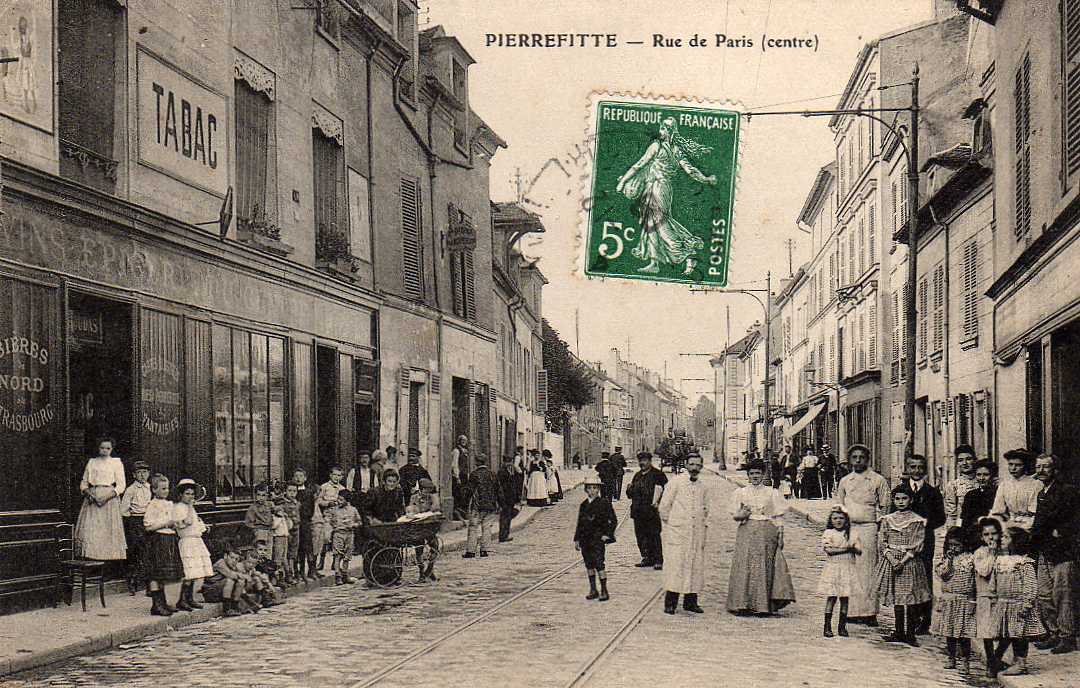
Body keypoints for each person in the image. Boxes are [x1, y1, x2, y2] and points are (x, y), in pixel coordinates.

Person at [615, 116, 715, 275]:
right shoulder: (677, 151)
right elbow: (690, 170)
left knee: (660, 223)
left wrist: (622, 182)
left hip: (656, 187)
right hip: (664, 188)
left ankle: (687, 253)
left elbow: (639, 164)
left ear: (668, 131)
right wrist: (707, 179)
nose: (660, 131)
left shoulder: (656, 146)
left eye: (662, 128)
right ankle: (654, 263)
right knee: (651, 222)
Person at [726, 459, 796, 616]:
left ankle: (763, 605)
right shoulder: (741, 493)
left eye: (758, 473)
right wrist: (742, 514)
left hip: (766, 531)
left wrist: (781, 535)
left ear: (763, 474)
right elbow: (735, 516)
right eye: (752, 474)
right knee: (745, 565)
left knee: (765, 566)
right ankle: (742, 604)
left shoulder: (772, 493)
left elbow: (778, 516)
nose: (755, 476)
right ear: (748, 476)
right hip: (747, 530)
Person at [835, 443, 890, 625]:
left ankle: (869, 613)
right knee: (849, 569)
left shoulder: (877, 480)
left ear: (868, 459)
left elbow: (885, 506)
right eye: (854, 457)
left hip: (868, 529)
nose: (858, 461)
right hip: (849, 529)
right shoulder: (845, 481)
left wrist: (880, 526)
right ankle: (850, 611)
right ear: (849, 460)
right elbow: (839, 506)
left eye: (862, 457)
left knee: (868, 571)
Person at [1030, 453, 1079, 655]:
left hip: (1062, 551)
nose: (1041, 470)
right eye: (1038, 467)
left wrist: (1063, 531)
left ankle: (1067, 637)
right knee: (1044, 594)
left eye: (1046, 467)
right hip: (1045, 550)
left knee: (1063, 595)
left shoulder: (1067, 491)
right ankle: (1053, 632)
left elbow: (1076, 519)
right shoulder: (1041, 493)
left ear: (1055, 470)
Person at [875, 483, 932, 646]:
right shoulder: (887, 519)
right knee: (897, 597)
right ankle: (898, 631)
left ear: (911, 500)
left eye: (904, 498)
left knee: (909, 596)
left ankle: (910, 633)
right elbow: (882, 541)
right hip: (892, 561)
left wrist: (903, 560)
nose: (901, 502)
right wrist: (892, 559)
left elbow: (917, 543)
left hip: (909, 562)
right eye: (897, 499)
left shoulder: (916, 520)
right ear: (893, 500)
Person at [659, 453, 711, 615]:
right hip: (678, 532)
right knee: (676, 566)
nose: (694, 468)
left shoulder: (703, 487)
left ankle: (691, 602)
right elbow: (664, 507)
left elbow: (706, 509)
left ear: (701, 467)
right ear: (686, 465)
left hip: (696, 533)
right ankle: (670, 603)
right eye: (692, 464)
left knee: (694, 566)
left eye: (698, 465)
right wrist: (676, 524)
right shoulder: (675, 483)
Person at [900, 454, 946, 635]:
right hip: (903, 543)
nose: (916, 471)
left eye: (920, 467)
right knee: (905, 578)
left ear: (925, 470)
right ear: (908, 468)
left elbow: (941, 518)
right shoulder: (901, 490)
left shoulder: (932, 493)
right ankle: (908, 619)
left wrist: (925, 524)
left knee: (924, 577)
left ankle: (925, 620)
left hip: (925, 542)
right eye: (913, 467)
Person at [74, 437, 128, 563]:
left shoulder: (116, 462)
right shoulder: (92, 462)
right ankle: (92, 563)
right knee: (92, 531)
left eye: (108, 448)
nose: (105, 451)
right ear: (98, 448)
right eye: (102, 448)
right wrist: (90, 495)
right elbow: (84, 483)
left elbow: (121, 485)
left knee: (107, 531)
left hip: (109, 500)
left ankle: (108, 566)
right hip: (92, 499)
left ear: (112, 449)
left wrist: (105, 498)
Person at [932, 527, 977, 673]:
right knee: (949, 632)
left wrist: (972, 601)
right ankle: (951, 657)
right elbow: (943, 575)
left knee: (964, 634)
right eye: (951, 545)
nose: (954, 548)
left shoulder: (971, 559)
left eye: (957, 545)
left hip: (964, 600)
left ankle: (965, 661)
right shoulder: (945, 559)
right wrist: (949, 561)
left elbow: (974, 582)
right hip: (949, 600)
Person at [143, 474, 183, 616]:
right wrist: (166, 523)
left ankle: (165, 602)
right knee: (157, 573)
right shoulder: (152, 505)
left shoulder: (169, 504)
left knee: (167, 573)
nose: (166, 491)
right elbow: (148, 526)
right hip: (159, 540)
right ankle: (156, 604)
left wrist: (177, 524)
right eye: (163, 488)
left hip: (170, 540)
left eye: (167, 488)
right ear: (154, 490)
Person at [819, 505, 861, 638]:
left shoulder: (852, 533)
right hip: (834, 568)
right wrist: (847, 549)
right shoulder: (829, 533)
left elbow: (859, 550)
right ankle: (827, 626)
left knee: (845, 597)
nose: (838, 521)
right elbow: (829, 551)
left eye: (841, 518)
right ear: (830, 520)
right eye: (835, 518)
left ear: (846, 519)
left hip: (847, 568)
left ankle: (842, 627)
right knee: (831, 597)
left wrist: (854, 547)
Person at [575, 476, 618, 601]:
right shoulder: (583, 505)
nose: (592, 491)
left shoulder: (604, 503)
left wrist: (607, 534)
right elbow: (580, 523)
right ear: (585, 490)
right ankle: (593, 589)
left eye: (594, 488)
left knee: (599, 563)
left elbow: (613, 520)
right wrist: (577, 539)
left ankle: (604, 589)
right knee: (589, 564)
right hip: (585, 539)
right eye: (589, 488)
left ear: (599, 489)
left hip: (598, 538)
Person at [172, 479, 212, 611]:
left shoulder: (191, 508)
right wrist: (190, 507)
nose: (190, 497)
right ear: (181, 495)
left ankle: (190, 598)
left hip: (195, 541)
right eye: (187, 494)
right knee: (188, 573)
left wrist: (202, 526)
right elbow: (186, 522)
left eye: (192, 494)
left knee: (195, 572)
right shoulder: (179, 508)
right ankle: (182, 600)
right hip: (187, 542)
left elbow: (195, 523)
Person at [627, 451, 667, 570]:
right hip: (638, 511)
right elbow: (630, 495)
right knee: (640, 536)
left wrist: (659, 503)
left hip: (651, 511)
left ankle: (658, 560)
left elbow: (666, 491)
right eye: (640, 461)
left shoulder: (658, 475)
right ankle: (646, 557)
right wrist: (629, 489)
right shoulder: (637, 475)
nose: (642, 463)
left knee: (654, 535)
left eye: (645, 460)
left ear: (650, 461)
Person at [120, 460, 152, 594]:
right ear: (134, 475)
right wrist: (133, 520)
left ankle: (148, 583)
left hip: (149, 520)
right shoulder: (131, 490)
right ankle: (132, 583)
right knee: (136, 552)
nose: (142, 475)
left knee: (148, 552)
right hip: (135, 521)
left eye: (144, 472)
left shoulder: (151, 487)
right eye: (139, 473)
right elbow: (123, 509)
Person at [990, 448, 1041, 531]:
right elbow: (997, 510)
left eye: (1018, 465)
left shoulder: (1036, 484)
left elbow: (1035, 512)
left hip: (1030, 525)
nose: (1013, 468)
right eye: (1010, 464)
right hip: (1010, 525)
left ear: (1025, 466)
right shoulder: (1004, 484)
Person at [463, 455, 499, 559]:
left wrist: (465, 502)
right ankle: (485, 550)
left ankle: (471, 551)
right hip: (490, 505)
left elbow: (469, 490)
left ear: (477, 462)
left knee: (473, 527)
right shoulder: (492, 474)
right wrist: (499, 503)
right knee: (487, 527)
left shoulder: (474, 474)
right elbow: (498, 490)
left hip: (477, 505)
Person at [407, 478, 441, 582]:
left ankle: (430, 569)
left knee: (435, 546)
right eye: (425, 490)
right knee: (419, 550)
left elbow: (436, 507)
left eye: (429, 490)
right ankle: (421, 572)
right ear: (420, 489)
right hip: (417, 527)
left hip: (429, 527)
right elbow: (411, 509)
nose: (427, 492)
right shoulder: (414, 498)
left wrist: (432, 509)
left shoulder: (431, 497)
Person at [325, 488, 360, 584]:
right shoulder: (334, 510)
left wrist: (353, 525)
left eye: (341, 500)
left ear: (347, 500)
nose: (338, 501)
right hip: (338, 534)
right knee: (337, 555)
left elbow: (359, 522)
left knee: (347, 556)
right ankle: (338, 575)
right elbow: (328, 520)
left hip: (349, 534)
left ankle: (345, 574)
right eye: (338, 499)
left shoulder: (353, 510)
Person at [315, 466, 346, 571]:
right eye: (334, 475)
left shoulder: (342, 489)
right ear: (330, 475)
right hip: (328, 514)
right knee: (326, 538)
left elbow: (346, 502)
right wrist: (328, 503)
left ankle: (335, 562)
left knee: (338, 540)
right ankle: (321, 561)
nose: (336, 477)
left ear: (341, 477)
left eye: (339, 475)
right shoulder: (324, 487)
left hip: (339, 516)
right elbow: (318, 501)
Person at [961, 460, 997, 550]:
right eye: (978, 475)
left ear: (992, 476)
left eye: (985, 475)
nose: (981, 478)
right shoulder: (970, 495)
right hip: (973, 537)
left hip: (992, 536)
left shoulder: (998, 493)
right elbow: (965, 520)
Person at [201, 547, 246, 617]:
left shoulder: (233, 566)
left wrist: (241, 575)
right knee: (230, 580)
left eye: (236, 559)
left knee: (241, 582)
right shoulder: (221, 563)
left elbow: (242, 575)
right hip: (210, 592)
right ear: (225, 556)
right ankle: (226, 609)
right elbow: (231, 575)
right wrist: (241, 575)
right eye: (232, 557)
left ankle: (235, 607)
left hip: (221, 592)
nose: (234, 560)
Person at [292, 468, 320, 580]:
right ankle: (296, 571)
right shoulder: (292, 491)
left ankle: (308, 570)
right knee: (295, 548)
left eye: (300, 476)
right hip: (294, 523)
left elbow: (311, 509)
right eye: (296, 476)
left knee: (307, 546)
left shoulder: (308, 492)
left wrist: (303, 514)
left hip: (305, 522)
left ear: (305, 478)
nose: (298, 478)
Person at [944, 444, 980, 529]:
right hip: (963, 527)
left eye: (968, 459)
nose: (964, 463)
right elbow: (952, 515)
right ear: (957, 463)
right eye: (960, 460)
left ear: (975, 460)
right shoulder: (953, 485)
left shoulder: (982, 482)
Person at [278, 482, 301, 585]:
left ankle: (292, 572)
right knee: (285, 554)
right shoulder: (282, 504)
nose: (292, 493)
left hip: (296, 530)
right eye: (290, 491)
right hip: (286, 531)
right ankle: (287, 574)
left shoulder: (297, 503)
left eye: (294, 491)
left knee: (293, 554)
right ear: (285, 492)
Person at [244, 484, 276, 548]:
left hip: (269, 530)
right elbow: (248, 522)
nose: (261, 498)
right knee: (261, 550)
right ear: (255, 495)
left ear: (267, 496)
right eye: (258, 495)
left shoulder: (269, 505)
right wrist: (256, 529)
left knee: (269, 550)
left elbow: (273, 515)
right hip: (260, 531)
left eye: (263, 495)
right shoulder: (253, 508)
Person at [496, 456, 519, 543]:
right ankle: (503, 536)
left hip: (510, 498)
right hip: (505, 498)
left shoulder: (509, 471)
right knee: (505, 517)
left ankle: (505, 535)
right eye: (509, 462)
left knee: (508, 517)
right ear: (505, 462)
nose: (510, 464)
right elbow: (502, 487)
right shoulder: (502, 472)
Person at [451, 436, 470, 518]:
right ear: (459, 441)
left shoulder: (465, 451)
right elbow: (454, 464)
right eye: (462, 440)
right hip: (459, 475)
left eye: (465, 440)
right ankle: (457, 514)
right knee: (458, 494)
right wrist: (457, 476)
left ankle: (462, 513)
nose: (464, 442)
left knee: (464, 495)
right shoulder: (456, 451)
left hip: (464, 475)